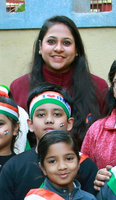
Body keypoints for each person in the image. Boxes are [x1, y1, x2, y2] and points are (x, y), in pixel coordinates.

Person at [9, 15, 108, 143]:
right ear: (40, 46)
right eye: (51, 41)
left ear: (77, 49)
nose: (58, 49)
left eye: (66, 43)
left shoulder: (98, 87)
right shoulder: (18, 88)